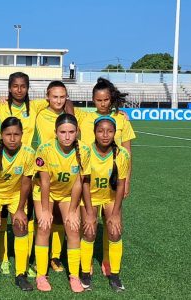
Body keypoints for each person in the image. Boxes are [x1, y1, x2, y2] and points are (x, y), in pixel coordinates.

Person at [76, 77, 135, 276]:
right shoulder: (84, 118)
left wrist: (126, 181)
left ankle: (108, 262)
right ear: (93, 100)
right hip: (89, 181)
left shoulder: (121, 119)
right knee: (88, 225)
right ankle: (86, 265)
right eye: (99, 100)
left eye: (106, 100)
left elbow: (127, 151)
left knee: (113, 222)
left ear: (111, 99)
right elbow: (62, 104)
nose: (103, 103)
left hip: (113, 181)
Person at [34, 113, 95, 293]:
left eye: (71, 132)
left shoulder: (84, 150)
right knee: (44, 226)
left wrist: (72, 210)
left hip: (68, 194)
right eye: (62, 132)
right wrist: (45, 210)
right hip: (45, 193)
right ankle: (41, 275)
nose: (67, 136)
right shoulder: (44, 149)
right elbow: (44, 182)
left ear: (77, 132)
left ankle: (74, 276)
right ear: (55, 132)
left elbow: (78, 182)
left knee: (73, 227)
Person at [0, 117, 35, 292]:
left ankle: (21, 274)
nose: (12, 139)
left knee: (21, 226)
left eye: (16, 134)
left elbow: (26, 183)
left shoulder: (28, 153)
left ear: (22, 135)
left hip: (16, 194)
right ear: (1, 135)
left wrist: (20, 209)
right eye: (8, 134)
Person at [79, 116, 130, 292]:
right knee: (90, 231)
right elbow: (84, 182)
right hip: (90, 197)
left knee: (115, 231)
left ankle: (114, 275)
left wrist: (115, 213)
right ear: (94, 133)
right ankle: (85, 272)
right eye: (100, 131)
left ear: (115, 133)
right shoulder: (85, 152)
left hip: (110, 197)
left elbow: (121, 184)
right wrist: (89, 211)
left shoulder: (121, 154)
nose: (105, 135)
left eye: (109, 131)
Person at [33, 81, 70, 275]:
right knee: (40, 218)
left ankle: (55, 256)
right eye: (54, 96)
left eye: (62, 96)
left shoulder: (72, 115)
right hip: (41, 170)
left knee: (58, 218)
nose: (58, 100)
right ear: (47, 96)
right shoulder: (39, 112)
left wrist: (116, 112)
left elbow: (92, 117)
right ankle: (36, 257)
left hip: (63, 173)